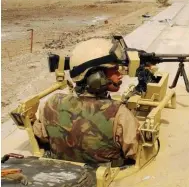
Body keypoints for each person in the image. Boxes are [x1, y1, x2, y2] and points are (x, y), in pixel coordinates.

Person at [32, 38, 140, 167]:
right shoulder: (119, 113)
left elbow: (41, 135)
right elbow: (136, 152)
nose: (120, 74)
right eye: (114, 70)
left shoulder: (52, 103)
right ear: (96, 76)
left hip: (62, 173)